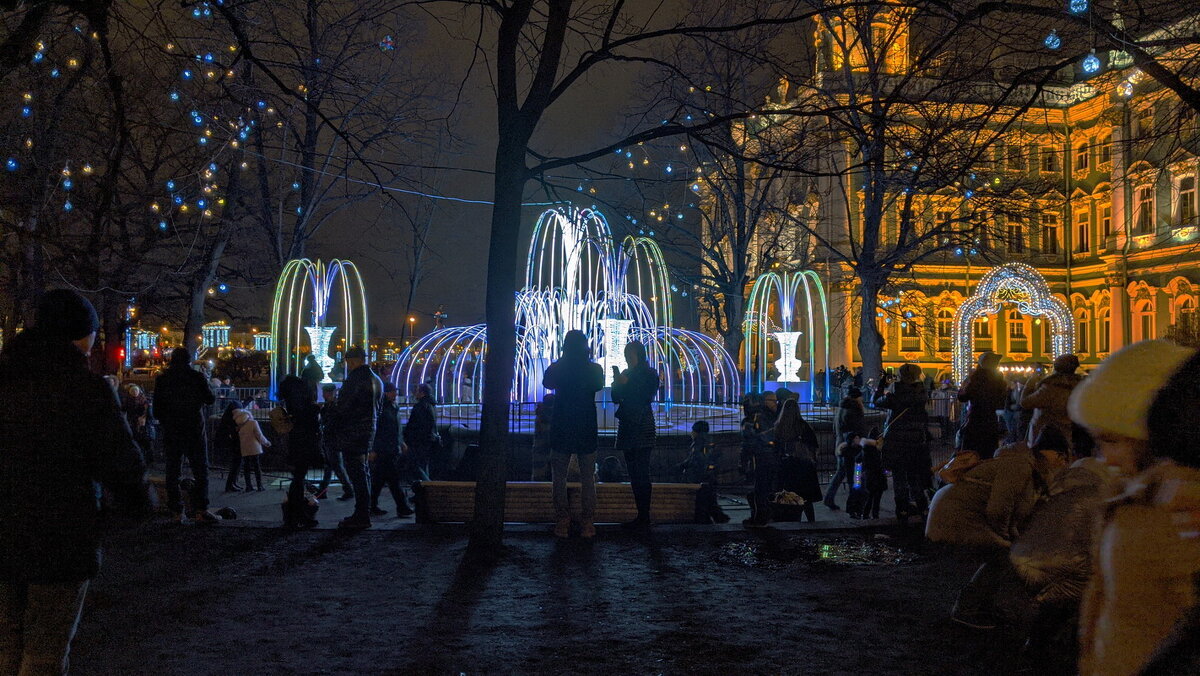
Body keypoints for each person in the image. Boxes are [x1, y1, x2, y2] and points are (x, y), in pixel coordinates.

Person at [0, 289, 152, 674]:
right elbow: (121, 463)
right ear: (80, 336)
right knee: (46, 649)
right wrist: (141, 505)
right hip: (60, 538)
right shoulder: (85, 390)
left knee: (6, 642)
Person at [1067, 340, 1200, 676]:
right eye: (1098, 441)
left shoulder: (1180, 510)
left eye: (1113, 440)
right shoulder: (1129, 497)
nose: (1105, 457)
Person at [926, 431, 1070, 630]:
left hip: (964, 514)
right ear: (1048, 451)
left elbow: (1013, 513)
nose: (1064, 461)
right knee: (1004, 556)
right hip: (956, 516)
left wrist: (1013, 539)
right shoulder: (1020, 465)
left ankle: (980, 604)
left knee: (1008, 554)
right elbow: (999, 509)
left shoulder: (1032, 469)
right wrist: (1006, 539)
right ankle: (967, 609)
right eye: (1061, 455)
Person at [542, 330, 604, 538]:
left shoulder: (558, 368)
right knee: (588, 477)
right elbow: (598, 386)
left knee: (558, 477)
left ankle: (562, 520)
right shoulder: (594, 369)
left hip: (562, 425)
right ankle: (588, 521)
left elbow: (547, 383)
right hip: (586, 426)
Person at [154, 347, 219, 523]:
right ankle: (200, 510)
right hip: (194, 429)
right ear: (189, 360)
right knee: (200, 469)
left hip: (172, 430)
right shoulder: (196, 377)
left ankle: (176, 511)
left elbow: (156, 409)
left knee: (172, 471)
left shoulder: (162, 379)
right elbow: (210, 398)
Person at [327, 345, 383, 529]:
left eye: (348, 362)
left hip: (353, 434)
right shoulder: (376, 380)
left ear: (352, 361)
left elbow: (343, 408)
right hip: (368, 432)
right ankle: (363, 512)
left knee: (357, 474)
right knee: (363, 472)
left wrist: (330, 421)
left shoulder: (355, 380)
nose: (347, 365)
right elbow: (378, 409)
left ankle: (361, 515)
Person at [873, 363, 932, 524]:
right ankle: (923, 508)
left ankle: (902, 509)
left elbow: (875, 401)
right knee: (914, 477)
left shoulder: (895, 394)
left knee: (899, 477)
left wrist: (882, 384)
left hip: (896, 442)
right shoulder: (921, 393)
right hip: (916, 442)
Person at [611, 341, 659, 529]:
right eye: (626, 354)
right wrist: (617, 381)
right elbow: (615, 398)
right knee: (633, 472)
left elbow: (646, 395)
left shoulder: (649, 373)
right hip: (627, 426)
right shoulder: (626, 373)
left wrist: (627, 384)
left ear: (640, 355)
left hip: (642, 426)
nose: (627, 358)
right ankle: (640, 514)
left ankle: (644, 515)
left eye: (631, 354)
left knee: (642, 472)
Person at [278, 375, 323, 529]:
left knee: (298, 478)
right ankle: (297, 514)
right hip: (303, 441)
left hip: (297, 441)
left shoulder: (291, 400)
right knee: (298, 478)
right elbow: (307, 417)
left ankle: (293, 515)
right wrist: (316, 408)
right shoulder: (302, 402)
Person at [1020, 354, 1083, 451]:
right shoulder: (1081, 386)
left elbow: (1025, 403)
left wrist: (1030, 384)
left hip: (1045, 436)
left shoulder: (1051, 388)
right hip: (1069, 434)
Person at [370, 383, 413, 518]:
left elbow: (395, 428)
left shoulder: (392, 406)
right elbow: (378, 430)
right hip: (384, 449)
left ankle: (370, 505)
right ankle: (402, 506)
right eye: (392, 392)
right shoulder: (382, 407)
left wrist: (401, 442)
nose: (395, 394)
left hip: (390, 448)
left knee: (379, 480)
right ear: (386, 393)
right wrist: (374, 449)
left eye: (395, 391)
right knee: (393, 480)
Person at [956, 351, 1007, 456]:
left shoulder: (975, 378)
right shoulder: (998, 379)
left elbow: (963, 396)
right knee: (988, 451)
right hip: (990, 419)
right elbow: (1001, 399)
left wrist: (964, 386)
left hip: (975, 418)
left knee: (971, 451)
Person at [824, 387, 865, 510]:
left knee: (840, 474)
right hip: (852, 448)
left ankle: (829, 498)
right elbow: (858, 429)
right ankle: (856, 501)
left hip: (841, 445)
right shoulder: (854, 410)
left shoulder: (842, 409)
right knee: (856, 475)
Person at [679, 420, 728, 524]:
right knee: (710, 497)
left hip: (701, 476)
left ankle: (704, 519)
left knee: (702, 498)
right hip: (709, 475)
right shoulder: (709, 441)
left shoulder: (698, 442)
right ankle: (718, 517)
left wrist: (683, 466)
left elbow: (696, 459)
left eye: (693, 431)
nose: (691, 433)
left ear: (696, 432)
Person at [319, 383, 353, 502]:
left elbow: (330, 422)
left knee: (336, 465)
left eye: (325, 392)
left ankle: (348, 489)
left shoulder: (333, 406)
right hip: (332, 439)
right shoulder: (331, 406)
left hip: (333, 439)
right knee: (330, 466)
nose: (323, 395)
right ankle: (323, 490)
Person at [778, 437, 823, 523]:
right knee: (809, 510)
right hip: (807, 493)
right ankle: (812, 523)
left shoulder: (789, 462)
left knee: (795, 515)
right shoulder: (809, 462)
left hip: (794, 493)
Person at [403, 384, 439, 483]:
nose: (415, 393)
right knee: (422, 464)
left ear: (422, 393)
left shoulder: (421, 406)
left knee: (416, 465)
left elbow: (415, 424)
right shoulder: (431, 405)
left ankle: (428, 486)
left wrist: (407, 436)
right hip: (428, 440)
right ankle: (424, 491)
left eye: (417, 391)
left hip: (419, 441)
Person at [852, 432, 887, 520]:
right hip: (880, 476)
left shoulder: (865, 449)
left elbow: (857, 461)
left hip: (869, 477)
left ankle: (865, 515)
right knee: (877, 499)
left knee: (869, 498)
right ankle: (875, 515)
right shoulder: (880, 450)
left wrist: (857, 480)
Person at [234, 409, 269, 491]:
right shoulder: (253, 423)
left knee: (247, 467)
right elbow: (259, 435)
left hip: (244, 448)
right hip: (254, 448)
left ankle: (248, 486)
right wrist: (266, 442)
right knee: (257, 467)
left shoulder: (239, 426)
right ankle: (259, 485)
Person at [120, 383, 151, 463]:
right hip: (132, 421)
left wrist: (143, 417)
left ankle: (146, 457)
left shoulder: (143, 400)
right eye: (133, 391)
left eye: (136, 391)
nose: (134, 392)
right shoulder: (128, 400)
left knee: (143, 439)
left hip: (142, 423)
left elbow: (147, 412)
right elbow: (124, 409)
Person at [216, 402, 243, 492]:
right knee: (236, 463)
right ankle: (230, 484)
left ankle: (233, 483)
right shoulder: (231, 420)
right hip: (232, 442)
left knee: (237, 463)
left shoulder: (229, 416)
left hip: (232, 441)